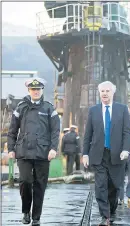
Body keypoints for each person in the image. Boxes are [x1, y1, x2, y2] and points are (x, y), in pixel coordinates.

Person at [7, 77, 60, 226]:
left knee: (40, 184)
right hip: (23, 151)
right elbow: (12, 130)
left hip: (43, 153)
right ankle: (26, 212)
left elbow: (55, 131)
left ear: (42, 90)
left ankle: (36, 217)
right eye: (33, 89)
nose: (36, 91)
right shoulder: (21, 107)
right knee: (25, 180)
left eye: (38, 89)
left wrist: (53, 148)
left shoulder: (49, 108)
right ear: (29, 90)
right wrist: (11, 149)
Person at [82, 81, 130, 225]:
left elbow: (127, 132)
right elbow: (88, 134)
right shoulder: (94, 110)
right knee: (100, 185)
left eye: (107, 91)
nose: (104, 93)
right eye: (102, 91)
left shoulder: (122, 109)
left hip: (117, 154)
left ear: (112, 93)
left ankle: (111, 209)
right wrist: (85, 153)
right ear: (99, 93)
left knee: (115, 186)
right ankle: (105, 216)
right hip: (99, 154)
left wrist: (125, 149)